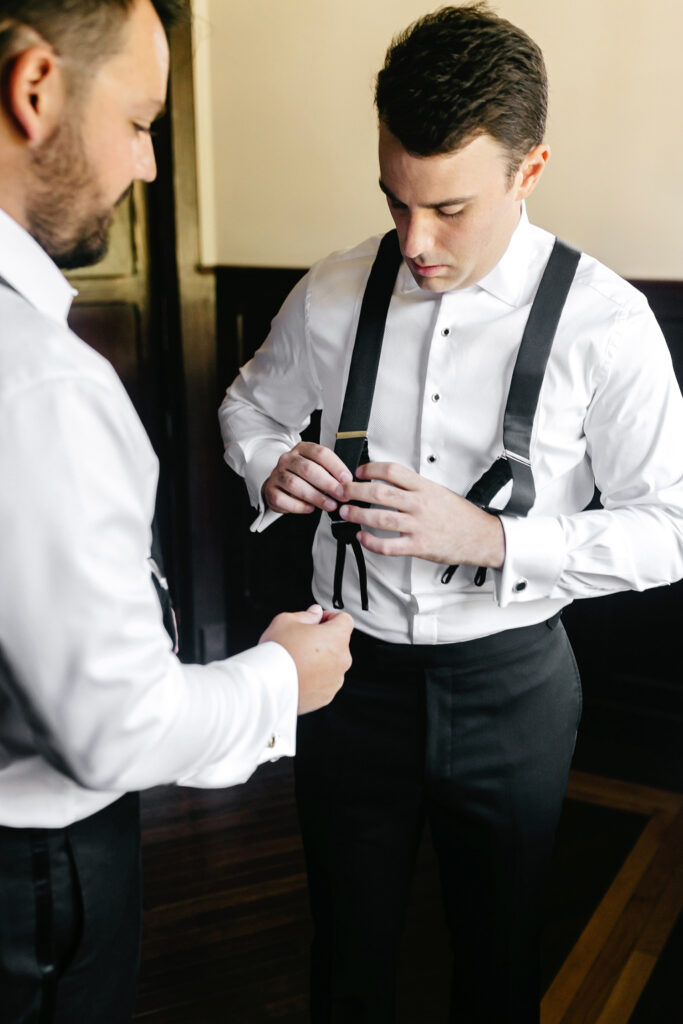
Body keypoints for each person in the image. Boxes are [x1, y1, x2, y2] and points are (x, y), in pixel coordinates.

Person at [219, 4, 683, 1023]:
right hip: (343, 676)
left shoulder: (606, 325)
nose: (414, 241)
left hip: (511, 684)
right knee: (345, 953)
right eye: (394, 201)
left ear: (530, 169)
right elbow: (246, 404)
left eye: (449, 209)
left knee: (498, 958)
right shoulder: (334, 289)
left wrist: (496, 540)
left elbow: (670, 526)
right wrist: (267, 463)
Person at [0, 1, 353, 1021]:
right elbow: (112, 730)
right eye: (142, 121)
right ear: (36, 91)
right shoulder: (39, 386)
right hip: (29, 886)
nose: (149, 166)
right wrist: (280, 677)